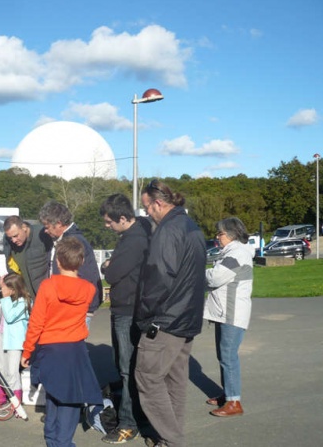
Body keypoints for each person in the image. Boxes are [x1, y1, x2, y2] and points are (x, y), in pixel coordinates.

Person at [135, 180, 206, 447]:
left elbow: (158, 279)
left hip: (165, 320)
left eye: (146, 208)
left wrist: (144, 317)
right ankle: (170, 438)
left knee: (148, 379)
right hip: (186, 317)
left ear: (158, 203)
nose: (146, 214)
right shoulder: (191, 226)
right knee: (175, 381)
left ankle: (173, 440)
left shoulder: (168, 230)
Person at [21, 237, 103, 447]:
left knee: (54, 394)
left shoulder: (47, 286)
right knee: (71, 398)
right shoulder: (88, 289)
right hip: (75, 349)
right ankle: (63, 442)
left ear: (57, 261)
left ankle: (53, 439)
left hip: (50, 348)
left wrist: (27, 351)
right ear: (82, 260)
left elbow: (36, 323)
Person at [99, 194, 151, 444]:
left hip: (128, 310)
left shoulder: (134, 240)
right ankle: (132, 415)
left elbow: (113, 273)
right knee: (124, 366)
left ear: (122, 218)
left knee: (127, 368)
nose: (107, 226)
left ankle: (129, 423)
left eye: (109, 222)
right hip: (123, 307)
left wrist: (109, 266)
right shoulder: (132, 236)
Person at [204, 217, 254, 417]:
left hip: (231, 314)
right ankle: (228, 394)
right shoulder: (233, 252)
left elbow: (216, 277)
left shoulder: (237, 253)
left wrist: (198, 272)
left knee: (228, 357)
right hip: (226, 312)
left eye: (220, 233)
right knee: (224, 356)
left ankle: (234, 402)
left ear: (232, 234)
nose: (217, 237)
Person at [38, 200, 102, 327]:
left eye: (47, 227)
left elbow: (85, 277)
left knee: (70, 345)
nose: (45, 231)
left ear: (59, 223)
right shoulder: (68, 239)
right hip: (73, 307)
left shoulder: (74, 242)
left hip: (76, 309)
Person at [0, 273, 32, 407]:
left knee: (12, 371)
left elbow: (10, 317)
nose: (2, 291)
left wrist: (5, 298)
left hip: (14, 341)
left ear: (13, 289)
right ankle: (0, 395)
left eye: (4, 288)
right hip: (1, 337)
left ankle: (15, 400)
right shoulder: (5, 300)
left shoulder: (23, 302)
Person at [3, 215, 53, 300]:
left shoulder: (42, 234)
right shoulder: (7, 240)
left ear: (24, 227)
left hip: (46, 295)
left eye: (15, 236)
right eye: (10, 238)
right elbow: (10, 265)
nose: (13, 240)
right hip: (26, 296)